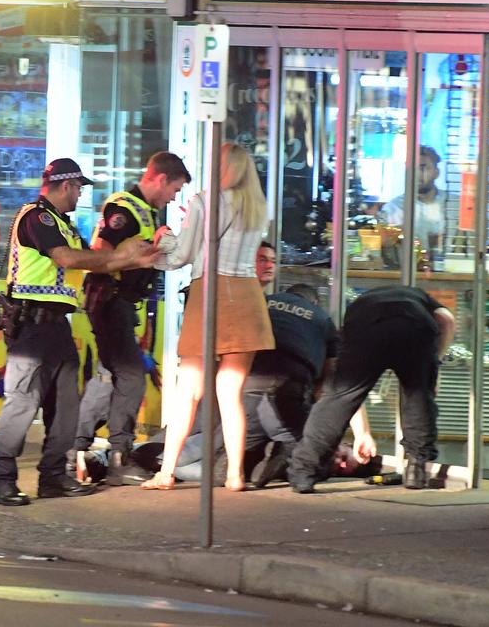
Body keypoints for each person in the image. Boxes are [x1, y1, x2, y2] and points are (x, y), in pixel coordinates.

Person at [0, 158, 157, 507]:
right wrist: (122, 256)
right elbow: (67, 259)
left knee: (64, 409)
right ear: (66, 185)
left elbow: (97, 261)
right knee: (21, 405)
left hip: (56, 328)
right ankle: (2, 481)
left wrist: (131, 260)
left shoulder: (64, 225)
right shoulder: (38, 217)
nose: (80, 194)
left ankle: (53, 477)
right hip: (31, 327)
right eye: (79, 187)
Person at [141, 143, 273, 492]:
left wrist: (163, 243)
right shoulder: (259, 208)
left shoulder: (203, 201)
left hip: (210, 295)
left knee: (189, 391)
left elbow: (184, 254)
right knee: (231, 394)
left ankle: (166, 472)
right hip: (246, 297)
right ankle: (235, 474)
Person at [74, 151, 190, 487]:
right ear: (160, 179)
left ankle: (77, 448)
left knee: (109, 374)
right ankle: (118, 456)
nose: (173, 197)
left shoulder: (145, 212)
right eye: (174, 189)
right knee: (130, 375)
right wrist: (135, 261)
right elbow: (98, 254)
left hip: (120, 302)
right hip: (110, 300)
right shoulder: (124, 208)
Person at [287, 285, 455, 494]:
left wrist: (362, 431)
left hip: (366, 327)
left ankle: (303, 473)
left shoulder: (361, 303)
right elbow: (446, 320)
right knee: (417, 398)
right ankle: (416, 470)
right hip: (414, 327)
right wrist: (435, 362)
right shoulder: (422, 298)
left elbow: (345, 392)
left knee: (339, 399)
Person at [244, 279, 354, 489]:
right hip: (288, 384)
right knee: (313, 456)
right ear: (313, 302)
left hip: (249, 383)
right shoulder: (322, 319)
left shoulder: (262, 301)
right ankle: (285, 452)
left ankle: (248, 466)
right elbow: (328, 380)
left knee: (243, 456)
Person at [383, 146, 446, 260]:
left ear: (436, 173)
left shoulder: (453, 205)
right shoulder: (393, 208)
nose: (417, 174)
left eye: (423, 168)